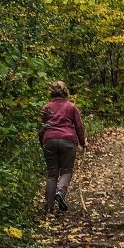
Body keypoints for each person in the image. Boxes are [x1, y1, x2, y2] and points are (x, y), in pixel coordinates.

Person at [39, 81, 86, 214]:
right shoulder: (71, 107)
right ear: (65, 91)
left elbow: (41, 128)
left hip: (49, 140)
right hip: (68, 141)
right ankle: (60, 191)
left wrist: (42, 142)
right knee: (66, 170)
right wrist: (83, 143)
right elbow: (79, 126)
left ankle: (49, 207)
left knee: (52, 173)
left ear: (51, 92)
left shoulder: (45, 107)